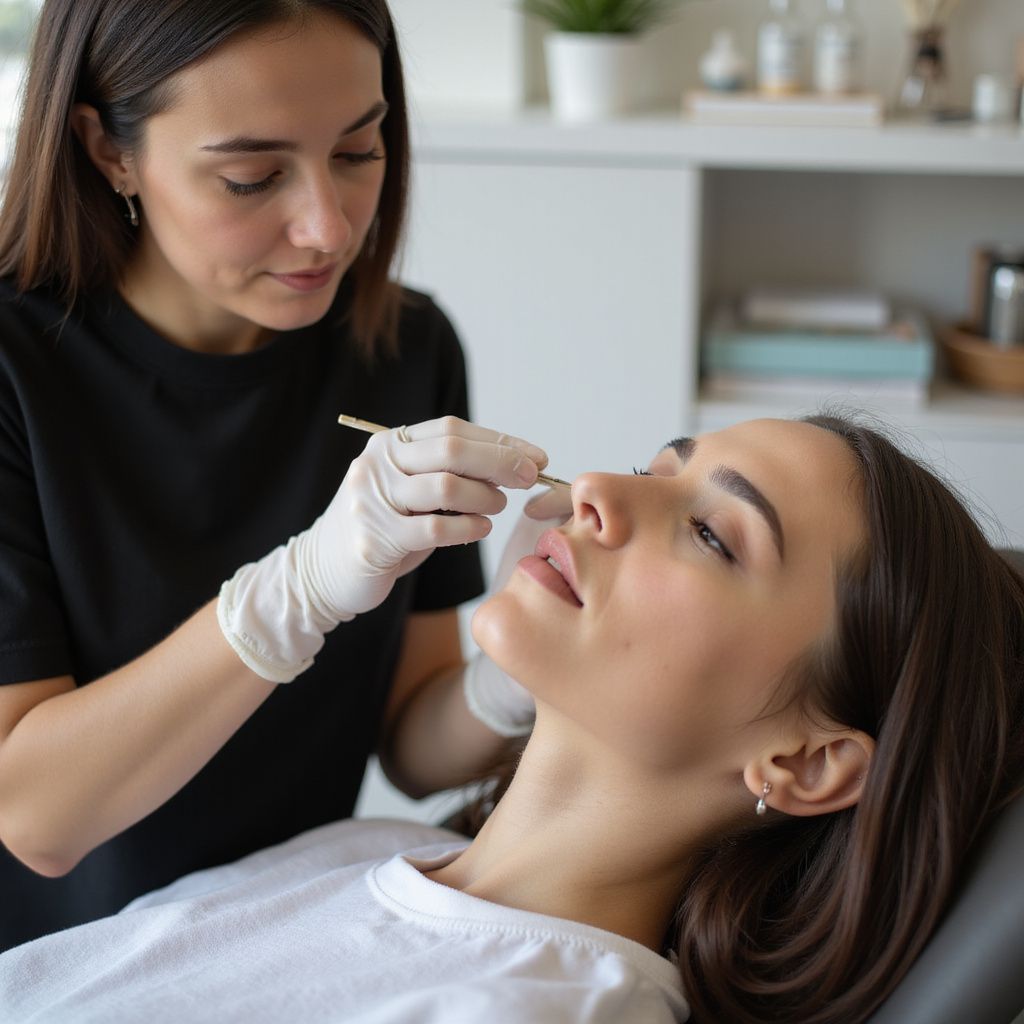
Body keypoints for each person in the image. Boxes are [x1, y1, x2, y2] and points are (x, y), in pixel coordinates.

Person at [2, 414, 1021, 1024]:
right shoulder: (370, 848)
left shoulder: (544, 1008)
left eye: (712, 534)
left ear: (803, 761)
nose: (599, 494)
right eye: (658, 467)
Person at [0, 0, 554, 950]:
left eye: (358, 152)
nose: (327, 229)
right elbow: (35, 816)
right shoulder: (17, 369)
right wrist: (298, 589)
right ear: (107, 150)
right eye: (252, 177)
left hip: (280, 942)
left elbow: (411, 750)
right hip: (61, 968)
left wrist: (512, 674)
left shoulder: (404, 347)